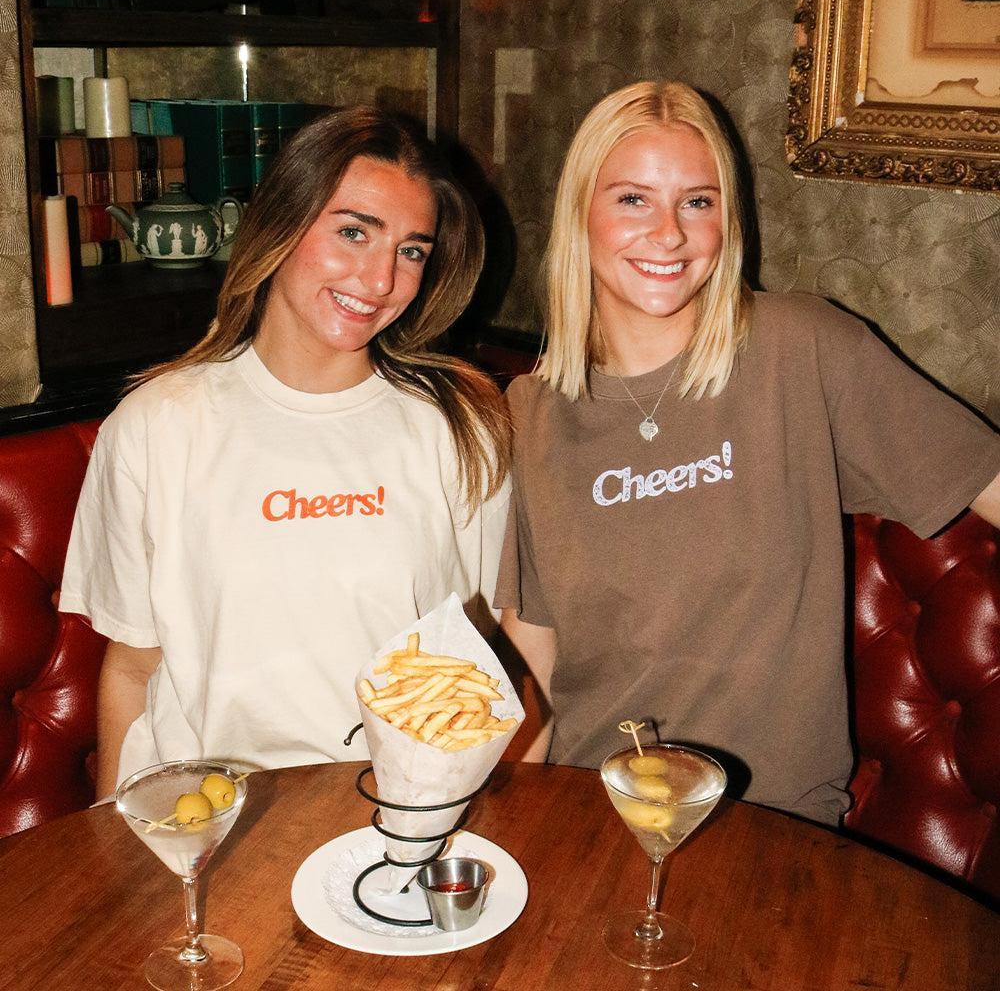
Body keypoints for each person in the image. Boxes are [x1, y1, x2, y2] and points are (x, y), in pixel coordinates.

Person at [493, 81, 1000, 826]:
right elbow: (535, 649)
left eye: (697, 202)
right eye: (633, 199)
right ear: (580, 215)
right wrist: (505, 820)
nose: (669, 233)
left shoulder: (801, 349)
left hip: (767, 821)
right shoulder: (530, 411)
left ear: (727, 219)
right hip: (594, 806)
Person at [60, 107, 511, 798]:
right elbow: (130, 667)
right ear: (280, 225)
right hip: (209, 816)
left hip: (398, 814)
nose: (380, 279)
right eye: (354, 232)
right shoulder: (154, 426)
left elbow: (487, 661)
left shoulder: (462, 427)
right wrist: (116, 837)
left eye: (411, 251)